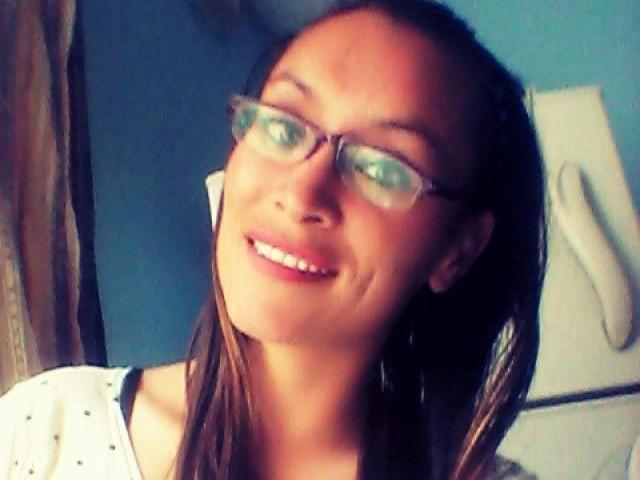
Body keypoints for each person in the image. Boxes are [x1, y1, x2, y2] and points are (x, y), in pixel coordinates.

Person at [0, 0, 546, 479]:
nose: (302, 191)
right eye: (284, 127)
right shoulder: (43, 434)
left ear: (456, 250)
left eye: (381, 168)